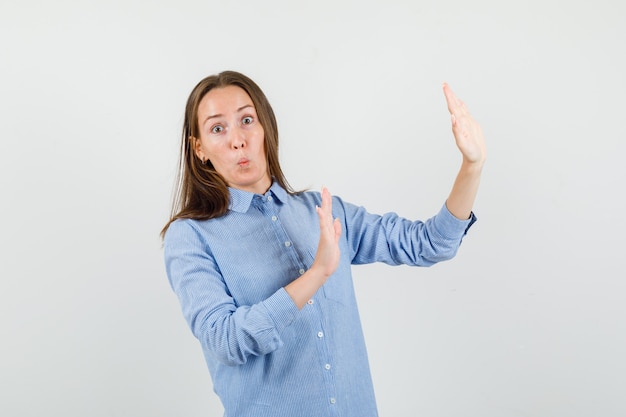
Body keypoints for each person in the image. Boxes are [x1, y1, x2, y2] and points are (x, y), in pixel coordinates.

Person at [161, 70, 485, 417]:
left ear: (265, 127)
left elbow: (430, 243)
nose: (237, 140)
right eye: (217, 128)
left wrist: (472, 166)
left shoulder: (324, 212)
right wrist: (317, 273)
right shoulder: (190, 236)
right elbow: (225, 340)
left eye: (246, 120)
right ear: (200, 149)